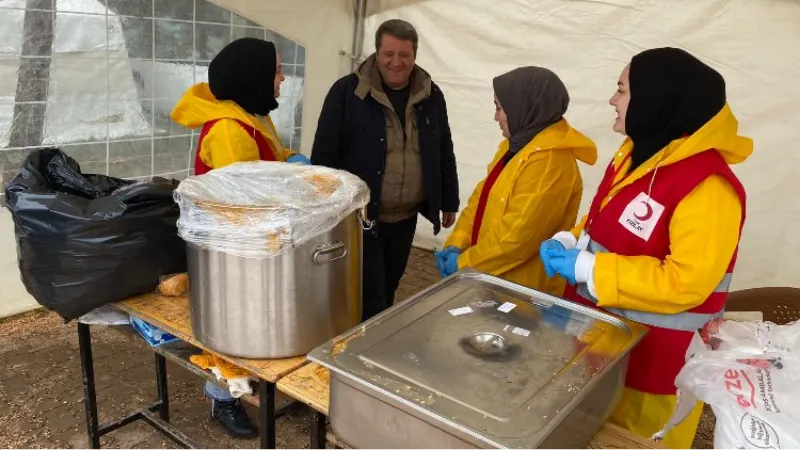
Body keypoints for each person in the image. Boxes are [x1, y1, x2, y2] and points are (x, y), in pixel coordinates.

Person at [540, 47, 752, 449]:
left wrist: (589, 270)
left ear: (658, 99)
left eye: (621, 90)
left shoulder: (709, 188)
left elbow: (686, 282)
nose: (611, 100)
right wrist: (573, 238)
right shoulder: (636, 156)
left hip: (655, 373)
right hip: (604, 347)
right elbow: (604, 221)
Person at [171, 37, 308, 439]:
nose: (283, 79)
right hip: (233, 244)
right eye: (277, 71)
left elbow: (269, 160)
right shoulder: (229, 129)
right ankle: (223, 396)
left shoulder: (251, 114)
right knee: (233, 323)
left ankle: (247, 384)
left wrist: (291, 162)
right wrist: (293, 179)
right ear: (255, 78)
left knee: (257, 320)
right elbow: (244, 198)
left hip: (255, 241)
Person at [311, 19, 459, 321]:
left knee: (390, 285)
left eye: (404, 55)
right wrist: (323, 207)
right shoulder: (346, 93)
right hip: (360, 217)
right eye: (388, 53)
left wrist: (448, 199)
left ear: (415, 55)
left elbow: (443, 147)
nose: (396, 62)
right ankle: (358, 348)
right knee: (371, 293)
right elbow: (324, 154)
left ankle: (368, 336)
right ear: (376, 53)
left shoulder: (432, 95)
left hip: (405, 216)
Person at [434, 67, 597, 296]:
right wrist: (457, 242)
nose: (496, 117)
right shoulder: (516, 148)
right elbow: (480, 199)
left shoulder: (550, 163)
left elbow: (517, 239)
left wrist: (464, 264)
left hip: (521, 294)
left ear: (524, 108)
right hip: (490, 280)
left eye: (500, 108)